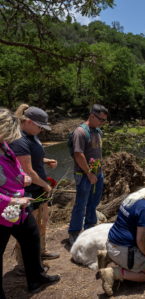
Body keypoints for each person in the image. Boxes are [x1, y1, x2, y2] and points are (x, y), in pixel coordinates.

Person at [0, 108, 60, 297]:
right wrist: (13, 200)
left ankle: (36, 278)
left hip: (16, 205)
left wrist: (22, 177)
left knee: (31, 236)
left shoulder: (4, 145)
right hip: (6, 206)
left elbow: (17, 165)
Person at [10, 105, 59, 266]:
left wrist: (46, 160)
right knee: (28, 228)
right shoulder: (19, 140)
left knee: (42, 221)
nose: (41, 130)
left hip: (38, 187)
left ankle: (41, 251)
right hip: (27, 191)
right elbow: (27, 170)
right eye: (39, 126)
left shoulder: (32, 136)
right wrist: (46, 185)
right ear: (29, 122)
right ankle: (23, 263)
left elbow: (32, 158)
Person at [97, 184, 145, 296]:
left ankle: (107, 255)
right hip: (123, 248)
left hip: (111, 241)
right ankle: (113, 273)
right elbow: (140, 240)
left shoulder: (133, 197)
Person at [68, 104, 108, 245]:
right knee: (81, 204)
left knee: (94, 202)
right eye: (100, 119)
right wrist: (89, 173)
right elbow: (78, 155)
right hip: (84, 174)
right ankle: (74, 232)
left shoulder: (97, 131)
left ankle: (89, 229)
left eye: (104, 120)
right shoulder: (80, 132)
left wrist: (97, 172)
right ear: (91, 116)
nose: (102, 123)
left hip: (97, 173)